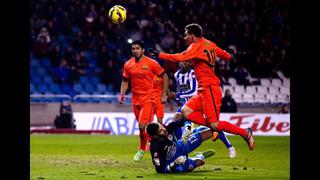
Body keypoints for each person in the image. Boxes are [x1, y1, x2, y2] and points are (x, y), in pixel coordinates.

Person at [149, 23, 254, 151]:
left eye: (186, 35)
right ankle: (213, 128)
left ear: (192, 36)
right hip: (203, 90)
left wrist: (159, 55)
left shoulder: (195, 46)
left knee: (215, 124)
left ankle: (245, 133)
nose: (184, 37)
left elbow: (180, 57)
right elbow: (225, 55)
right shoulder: (209, 44)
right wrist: (228, 56)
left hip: (210, 88)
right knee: (185, 111)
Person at [170, 61, 236, 158]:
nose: (184, 63)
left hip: (199, 103)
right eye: (183, 61)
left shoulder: (192, 74)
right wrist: (175, 99)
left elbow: (193, 92)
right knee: (175, 120)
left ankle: (230, 147)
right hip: (186, 104)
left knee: (213, 125)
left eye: (187, 62)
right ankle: (178, 148)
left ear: (191, 64)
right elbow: (179, 90)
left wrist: (177, 95)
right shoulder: (177, 75)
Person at [119, 40, 169, 161]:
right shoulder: (128, 64)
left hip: (149, 98)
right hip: (135, 100)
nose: (135, 51)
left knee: (142, 126)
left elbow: (165, 76)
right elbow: (125, 80)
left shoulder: (152, 63)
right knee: (143, 127)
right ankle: (153, 144)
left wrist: (163, 94)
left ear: (143, 50)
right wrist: (122, 94)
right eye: (133, 49)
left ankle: (143, 149)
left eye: (137, 48)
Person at [146, 117, 215, 173]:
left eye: (162, 127)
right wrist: (174, 164)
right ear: (155, 136)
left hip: (181, 145)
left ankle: (194, 131)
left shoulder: (167, 127)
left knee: (209, 133)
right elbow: (159, 169)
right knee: (200, 162)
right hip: (173, 160)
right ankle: (200, 155)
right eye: (160, 130)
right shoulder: (154, 147)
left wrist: (188, 128)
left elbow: (185, 119)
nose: (164, 130)